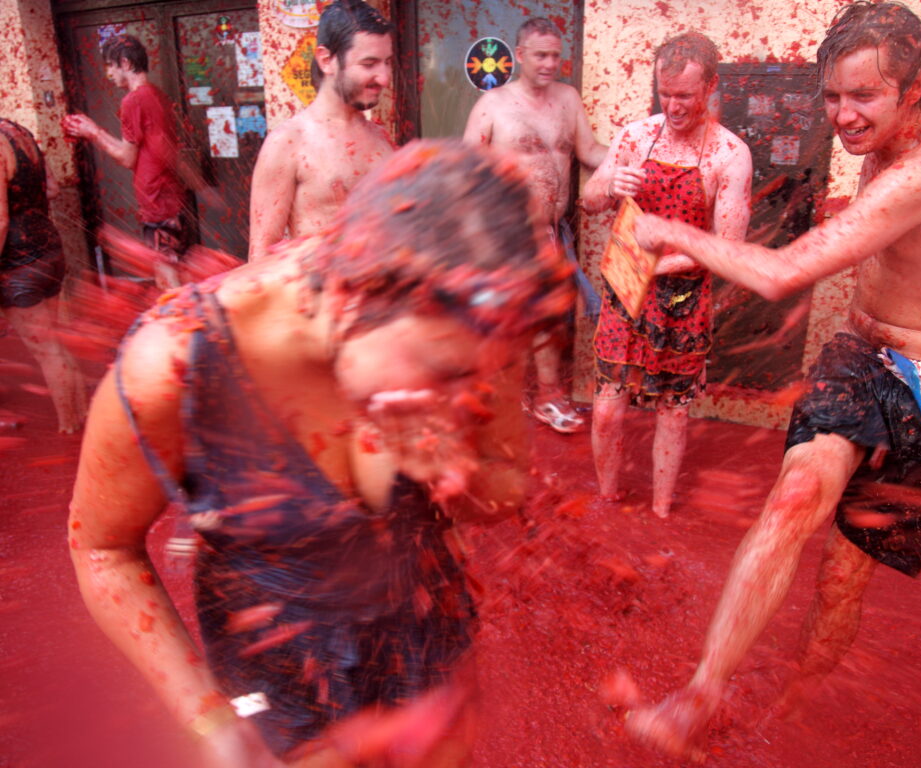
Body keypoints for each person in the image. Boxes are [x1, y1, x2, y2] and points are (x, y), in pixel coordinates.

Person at [68, 140, 572, 767]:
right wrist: (213, 724)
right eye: (444, 373)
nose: (465, 398)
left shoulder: (473, 311)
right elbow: (101, 548)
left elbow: (505, 486)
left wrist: (453, 471)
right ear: (353, 297)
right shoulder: (177, 360)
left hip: (426, 651)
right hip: (280, 683)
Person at [625, 3, 921, 760]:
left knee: (845, 575)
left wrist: (670, 231)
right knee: (795, 498)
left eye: (863, 97)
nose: (843, 117)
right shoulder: (908, 142)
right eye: (833, 97)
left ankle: (800, 704)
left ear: (918, 87)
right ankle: (701, 695)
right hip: (863, 351)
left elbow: (783, 273)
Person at [579, 32, 752, 517]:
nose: (673, 106)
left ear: (712, 86)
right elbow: (589, 203)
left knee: (672, 412)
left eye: (686, 96)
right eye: (665, 93)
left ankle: (660, 509)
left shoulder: (729, 154)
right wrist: (610, 183)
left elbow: (730, 250)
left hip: (684, 297)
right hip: (627, 284)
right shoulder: (635, 136)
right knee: (609, 407)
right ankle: (608, 496)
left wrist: (662, 262)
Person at [464, 16, 607, 434]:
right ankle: (490, 402)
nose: (549, 63)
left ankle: (546, 398)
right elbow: (466, 170)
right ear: (520, 55)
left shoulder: (567, 99)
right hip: (505, 234)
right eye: (540, 55)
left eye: (555, 56)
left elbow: (590, 149)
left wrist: (634, 158)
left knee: (546, 317)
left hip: (550, 232)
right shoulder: (493, 105)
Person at [248, 0, 394, 262]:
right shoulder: (288, 143)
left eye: (387, 62)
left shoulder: (381, 138)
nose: (384, 78)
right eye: (369, 64)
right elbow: (260, 261)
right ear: (327, 60)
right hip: (321, 299)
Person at [64, 35, 188, 291]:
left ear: (125, 63)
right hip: (167, 199)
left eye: (110, 65)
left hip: (157, 203)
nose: (108, 73)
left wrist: (93, 132)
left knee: (169, 285)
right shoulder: (155, 95)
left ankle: (186, 327)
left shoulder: (133, 100)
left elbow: (126, 157)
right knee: (172, 274)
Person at [0, 117, 87, 433]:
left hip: (18, 261)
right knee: (55, 343)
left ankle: (69, 427)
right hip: (48, 247)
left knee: (46, 350)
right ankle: (81, 415)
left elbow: (0, 221)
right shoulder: (18, 132)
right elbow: (52, 188)